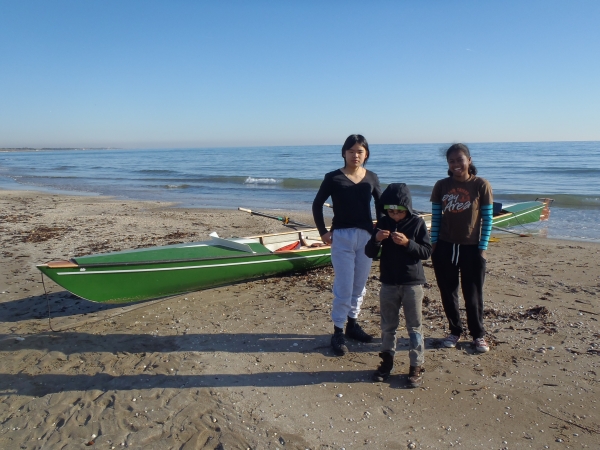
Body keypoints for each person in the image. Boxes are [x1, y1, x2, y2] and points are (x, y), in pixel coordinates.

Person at [312, 134, 384, 356]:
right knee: (344, 286)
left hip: (366, 237)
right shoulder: (333, 178)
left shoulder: (371, 177)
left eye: (360, 151)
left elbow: (381, 206)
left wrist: (381, 230)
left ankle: (353, 324)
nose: (355, 155)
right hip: (341, 237)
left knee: (359, 285)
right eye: (351, 151)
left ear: (366, 154)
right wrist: (323, 232)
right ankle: (338, 332)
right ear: (344, 153)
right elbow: (316, 205)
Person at [365, 183, 432, 387]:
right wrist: (376, 239)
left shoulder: (417, 223)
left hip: (412, 283)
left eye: (398, 211)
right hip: (388, 283)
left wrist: (407, 243)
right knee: (388, 326)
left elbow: (426, 252)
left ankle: (416, 366)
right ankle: (387, 362)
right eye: (390, 211)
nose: (394, 215)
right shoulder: (382, 223)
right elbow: (369, 252)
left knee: (414, 326)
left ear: (407, 209)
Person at [430, 143, 493, 353]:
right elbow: (436, 218)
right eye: (452, 161)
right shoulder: (441, 185)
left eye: (460, 159)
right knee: (448, 293)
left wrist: (482, 249)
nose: (456, 164)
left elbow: (487, 219)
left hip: (471, 248)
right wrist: (434, 245)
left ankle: (478, 335)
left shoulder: (480, 185)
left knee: (473, 295)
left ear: (469, 160)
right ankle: (454, 331)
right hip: (446, 247)